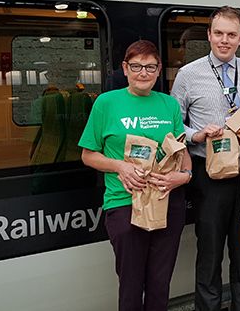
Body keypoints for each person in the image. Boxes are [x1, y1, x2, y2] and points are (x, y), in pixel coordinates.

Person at [171, 6, 240, 311]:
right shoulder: (188, 75)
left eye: (231, 34)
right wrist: (197, 135)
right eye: (219, 33)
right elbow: (174, 125)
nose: (224, 40)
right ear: (209, 35)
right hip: (209, 176)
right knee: (210, 252)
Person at [79, 40, 192, 311]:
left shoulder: (169, 105)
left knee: (160, 283)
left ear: (159, 69)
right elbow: (88, 155)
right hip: (124, 204)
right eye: (137, 66)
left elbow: (181, 151)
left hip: (167, 203)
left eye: (150, 67)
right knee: (130, 286)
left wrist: (185, 176)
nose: (144, 73)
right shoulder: (107, 103)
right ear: (125, 68)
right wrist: (121, 167)